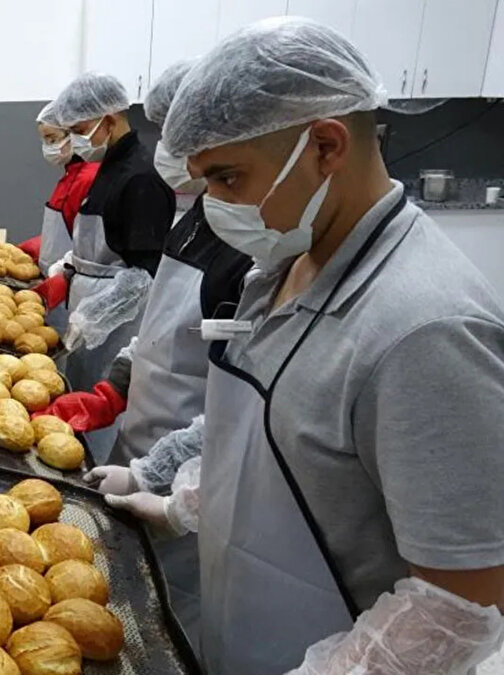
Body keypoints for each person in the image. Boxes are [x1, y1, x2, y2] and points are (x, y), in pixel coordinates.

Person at [146, 17, 504, 675]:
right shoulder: (284, 263)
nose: (217, 207)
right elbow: (275, 427)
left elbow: (462, 597)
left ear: (327, 145)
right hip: (248, 637)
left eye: (229, 180)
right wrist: (174, 497)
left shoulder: (425, 328)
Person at [32, 59, 251, 653]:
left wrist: (172, 487)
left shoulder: (255, 247)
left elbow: (246, 403)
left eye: (217, 165)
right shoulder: (200, 218)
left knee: (168, 623)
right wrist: (115, 389)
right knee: (120, 598)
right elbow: (160, 322)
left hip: (195, 483)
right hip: (147, 441)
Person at [37, 72, 174, 422]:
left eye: (80, 131)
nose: (77, 140)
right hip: (88, 314)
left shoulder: (141, 177)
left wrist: (94, 315)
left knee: (96, 417)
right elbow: (94, 245)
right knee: (76, 397)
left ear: (109, 120)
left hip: (115, 327)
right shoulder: (108, 170)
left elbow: (145, 276)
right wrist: (67, 273)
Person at [18, 103, 100, 331]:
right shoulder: (70, 176)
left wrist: (61, 273)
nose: (48, 147)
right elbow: (66, 226)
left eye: (52, 139)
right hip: (52, 281)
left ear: (74, 134)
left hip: (70, 290)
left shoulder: (89, 178)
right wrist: (39, 246)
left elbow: (90, 243)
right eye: (45, 140)